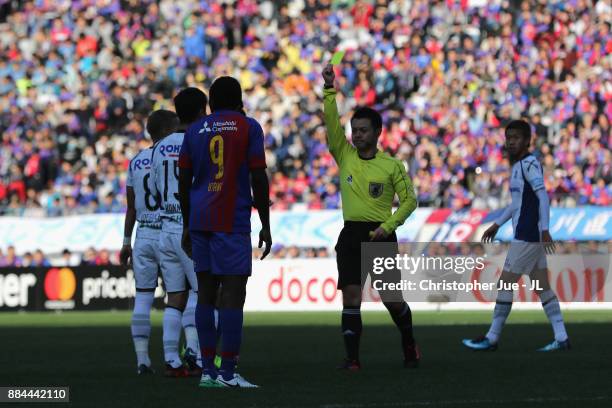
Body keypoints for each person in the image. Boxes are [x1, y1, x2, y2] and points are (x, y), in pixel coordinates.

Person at [322, 64, 419, 369]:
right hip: (351, 234)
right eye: (355, 130)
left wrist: (387, 226)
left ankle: (408, 343)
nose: (357, 135)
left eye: (364, 130)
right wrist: (329, 89)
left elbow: (409, 201)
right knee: (351, 296)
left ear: (378, 132)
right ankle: (352, 359)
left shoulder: (391, 165)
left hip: (382, 235)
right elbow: (330, 123)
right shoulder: (344, 154)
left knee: (392, 300)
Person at [178, 76, 271, 388]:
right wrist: (266, 224)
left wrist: (187, 224)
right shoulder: (249, 127)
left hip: (201, 218)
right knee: (233, 295)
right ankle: (228, 372)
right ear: (239, 100)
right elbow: (259, 175)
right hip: (231, 219)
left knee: (205, 292)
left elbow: (183, 182)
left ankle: (207, 371)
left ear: (211, 102)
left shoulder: (194, 130)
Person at [463, 119, 569, 352]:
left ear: (527, 141)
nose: (511, 142)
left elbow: (543, 197)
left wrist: (544, 229)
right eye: (508, 138)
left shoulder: (529, 164)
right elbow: (517, 203)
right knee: (542, 286)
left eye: (516, 138)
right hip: (529, 234)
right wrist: (497, 224)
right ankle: (562, 337)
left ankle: (492, 338)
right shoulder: (519, 165)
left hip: (528, 235)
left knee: (505, 284)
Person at [150, 88, 208, 377]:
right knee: (202, 292)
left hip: (164, 228)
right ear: (200, 112)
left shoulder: (159, 146)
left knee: (175, 296)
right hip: (189, 227)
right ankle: (195, 354)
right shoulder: (197, 141)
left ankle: (171, 359)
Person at [120, 109, 178, 375]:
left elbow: (131, 207)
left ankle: (142, 360)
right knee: (180, 295)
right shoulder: (169, 155)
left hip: (142, 234)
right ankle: (174, 356)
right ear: (167, 130)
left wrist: (125, 242)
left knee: (143, 297)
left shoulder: (136, 160)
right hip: (168, 229)